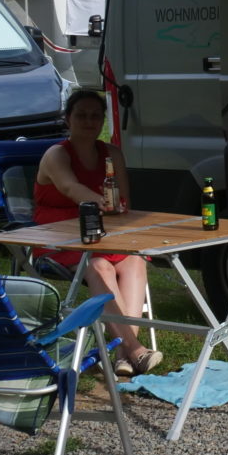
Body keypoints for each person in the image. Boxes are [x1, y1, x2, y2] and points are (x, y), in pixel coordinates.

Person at [35, 89, 159, 375]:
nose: (88, 121)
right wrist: (101, 202)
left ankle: (122, 354)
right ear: (68, 119)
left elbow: (123, 203)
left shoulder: (111, 154)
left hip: (103, 234)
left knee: (134, 259)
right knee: (100, 264)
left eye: (95, 116)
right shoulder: (56, 155)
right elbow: (69, 187)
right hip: (60, 238)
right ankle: (134, 349)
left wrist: (116, 211)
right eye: (81, 115)